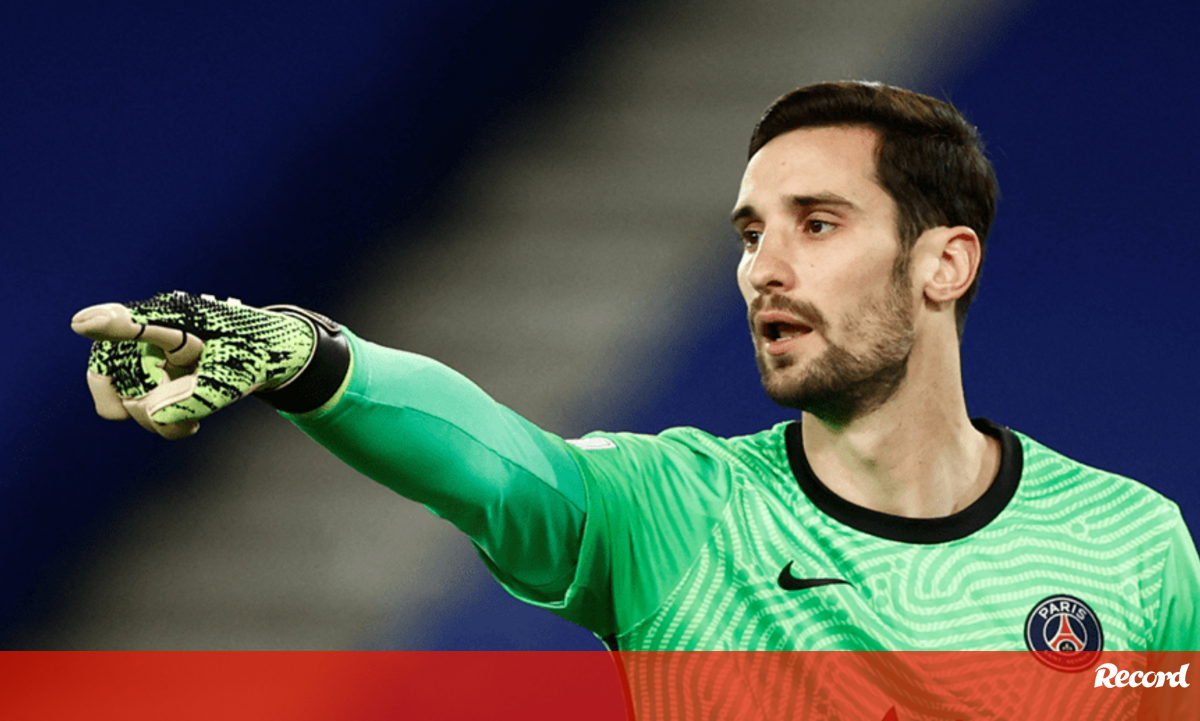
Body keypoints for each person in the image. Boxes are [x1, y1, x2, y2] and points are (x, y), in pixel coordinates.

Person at [73, 81, 1199, 719]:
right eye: (750, 234)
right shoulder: (671, 510)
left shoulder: (1134, 546)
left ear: (944, 262)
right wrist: (308, 357)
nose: (763, 269)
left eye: (817, 224)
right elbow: (487, 461)